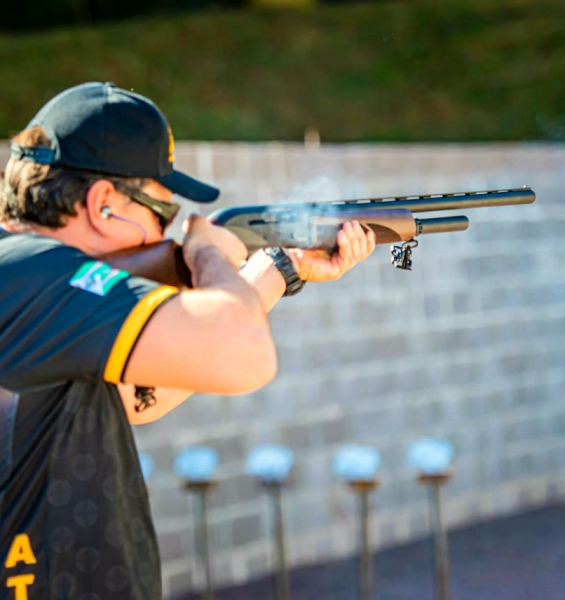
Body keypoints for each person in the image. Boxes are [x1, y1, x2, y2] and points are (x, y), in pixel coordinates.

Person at [0, 82, 375, 600]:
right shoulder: (37, 277)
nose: (164, 236)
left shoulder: (25, 277)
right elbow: (244, 355)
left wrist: (279, 266)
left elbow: (136, 396)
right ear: (104, 204)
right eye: (162, 213)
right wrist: (208, 253)